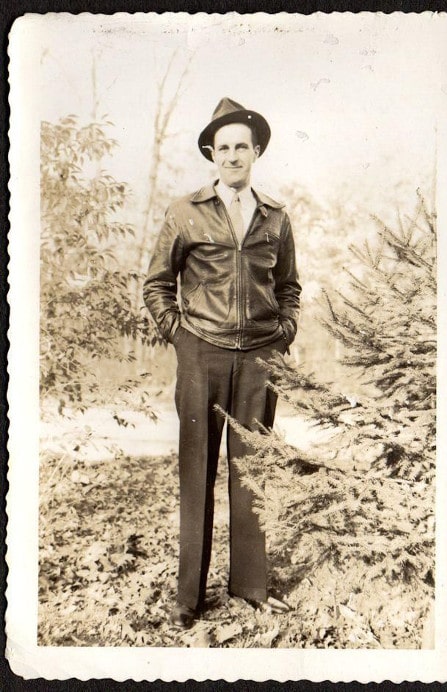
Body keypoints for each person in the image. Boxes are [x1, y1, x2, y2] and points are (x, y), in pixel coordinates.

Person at [143, 97, 301, 630]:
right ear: (212, 153)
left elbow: (289, 287)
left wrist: (284, 334)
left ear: (256, 151)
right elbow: (158, 285)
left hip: (260, 359)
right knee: (197, 472)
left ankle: (251, 586)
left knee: (252, 472)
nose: (232, 155)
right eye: (223, 147)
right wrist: (181, 337)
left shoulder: (276, 215)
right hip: (202, 354)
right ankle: (189, 597)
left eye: (242, 146)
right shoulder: (185, 211)